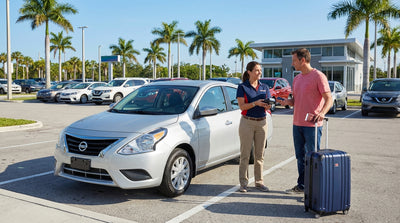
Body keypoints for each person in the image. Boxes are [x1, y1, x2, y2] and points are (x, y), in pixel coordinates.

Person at [278, 48, 333, 194]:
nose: (292, 63)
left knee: (313, 157)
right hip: (297, 124)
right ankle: (302, 186)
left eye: (294, 60)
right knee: (300, 157)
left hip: (312, 125)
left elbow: (329, 99)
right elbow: (295, 100)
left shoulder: (318, 76)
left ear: (303, 60)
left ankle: (315, 188)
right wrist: (286, 102)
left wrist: (322, 113)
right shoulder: (297, 79)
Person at [236, 61, 272, 193]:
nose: (259, 72)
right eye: (256, 70)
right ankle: (243, 183)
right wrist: (255, 103)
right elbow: (242, 106)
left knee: (259, 154)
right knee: (245, 154)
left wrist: (268, 106)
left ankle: (259, 182)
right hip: (247, 122)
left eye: (260, 70)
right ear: (249, 72)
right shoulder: (242, 87)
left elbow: (269, 103)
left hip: (262, 122)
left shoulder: (265, 87)